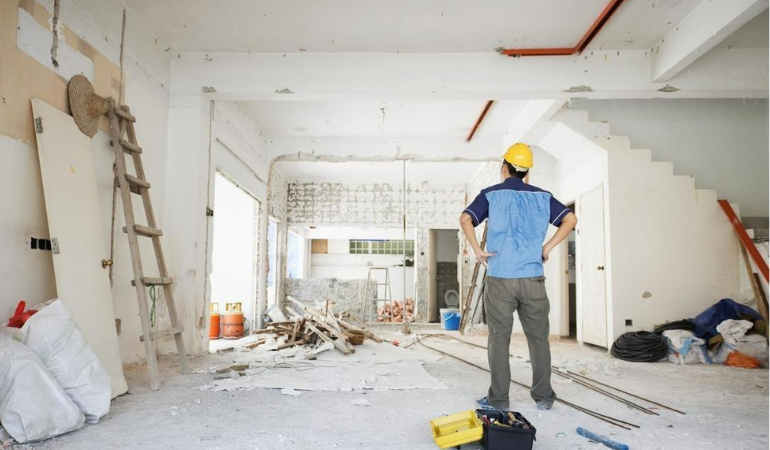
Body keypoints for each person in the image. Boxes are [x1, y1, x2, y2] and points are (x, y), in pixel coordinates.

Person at [459, 142, 578, 411]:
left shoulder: (491, 194)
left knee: (499, 340)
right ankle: (544, 398)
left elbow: (465, 219)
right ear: (527, 173)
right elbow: (570, 220)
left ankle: (499, 400)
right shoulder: (543, 196)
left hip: (500, 279)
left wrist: (478, 251)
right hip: (533, 278)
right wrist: (546, 248)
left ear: (505, 168)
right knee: (538, 340)